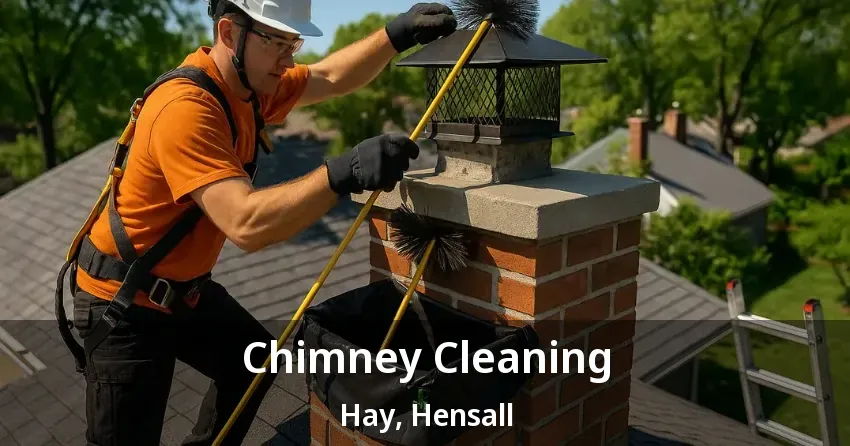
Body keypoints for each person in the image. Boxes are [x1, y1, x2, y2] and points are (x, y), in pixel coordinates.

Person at [60, 0, 457, 444]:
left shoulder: (249, 89)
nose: (289, 59)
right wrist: (340, 173)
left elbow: (327, 76)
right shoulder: (187, 108)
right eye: (277, 44)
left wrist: (396, 35)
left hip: (181, 293)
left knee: (251, 367)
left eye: (294, 43)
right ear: (229, 34)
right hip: (124, 303)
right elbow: (245, 223)